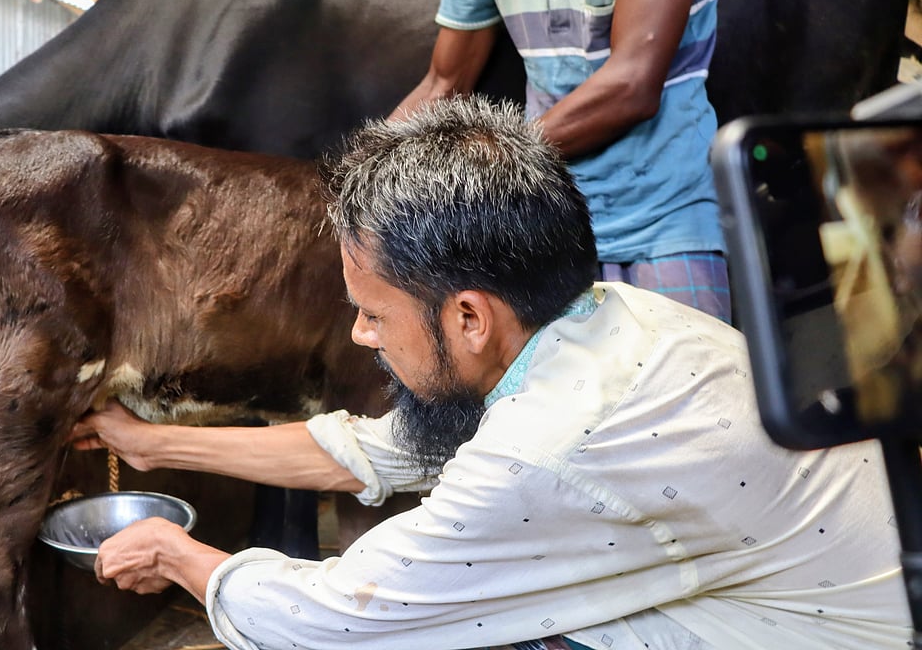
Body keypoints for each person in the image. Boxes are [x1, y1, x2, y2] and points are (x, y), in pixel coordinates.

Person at [70, 97, 909, 650]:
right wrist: (150, 444)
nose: (361, 334)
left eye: (374, 313)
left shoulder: (547, 449)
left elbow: (340, 617)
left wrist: (182, 557)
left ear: (469, 317)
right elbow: (373, 451)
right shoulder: (610, 317)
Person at [392, 0, 730, 322]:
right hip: (549, 234)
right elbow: (443, 84)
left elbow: (633, 84)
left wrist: (495, 160)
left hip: (665, 219)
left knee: (688, 368)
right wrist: (364, 172)